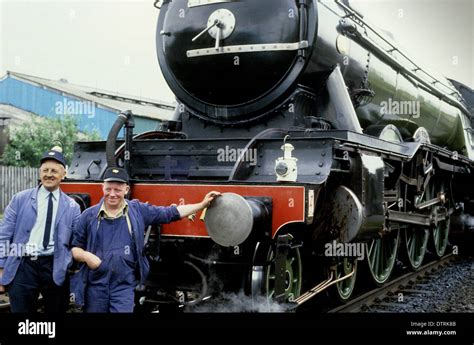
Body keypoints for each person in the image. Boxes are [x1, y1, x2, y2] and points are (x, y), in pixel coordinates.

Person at [70, 167, 220, 312]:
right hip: (96, 284)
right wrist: (87, 256)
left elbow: (170, 213)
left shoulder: (137, 210)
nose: (112, 194)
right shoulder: (88, 216)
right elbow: (75, 248)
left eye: (117, 189)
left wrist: (201, 205)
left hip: (123, 285)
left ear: (126, 190)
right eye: (108, 189)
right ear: (102, 187)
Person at [0, 147, 81, 312]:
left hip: (55, 267)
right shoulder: (20, 199)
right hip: (23, 265)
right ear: (39, 173)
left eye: (54, 171)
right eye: (45, 170)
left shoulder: (72, 206)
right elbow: (4, 235)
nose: (49, 174)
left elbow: (77, 239)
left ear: (63, 174)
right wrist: (0, 266)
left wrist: (68, 263)